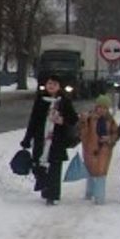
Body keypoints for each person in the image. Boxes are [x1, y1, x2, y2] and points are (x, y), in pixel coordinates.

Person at [20, 75, 80, 205]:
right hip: (41, 139)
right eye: (49, 84)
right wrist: (27, 139)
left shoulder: (64, 101)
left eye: (54, 84)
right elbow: (33, 121)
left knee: (55, 167)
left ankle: (54, 195)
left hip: (57, 140)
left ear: (59, 87)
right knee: (39, 165)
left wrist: (61, 120)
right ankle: (45, 190)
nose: (51, 86)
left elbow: (74, 119)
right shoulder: (41, 100)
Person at [78, 94, 118, 204]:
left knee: (101, 173)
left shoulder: (110, 121)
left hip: (104, 150)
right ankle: (89, 192)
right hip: (90, 149)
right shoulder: (90, 119)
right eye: (100, 107)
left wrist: (110, 139)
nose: (102, 110)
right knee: (90, 171)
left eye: (105, 108)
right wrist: (83, 121)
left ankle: (99, 196)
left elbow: (116, 133)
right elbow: (83, 133)